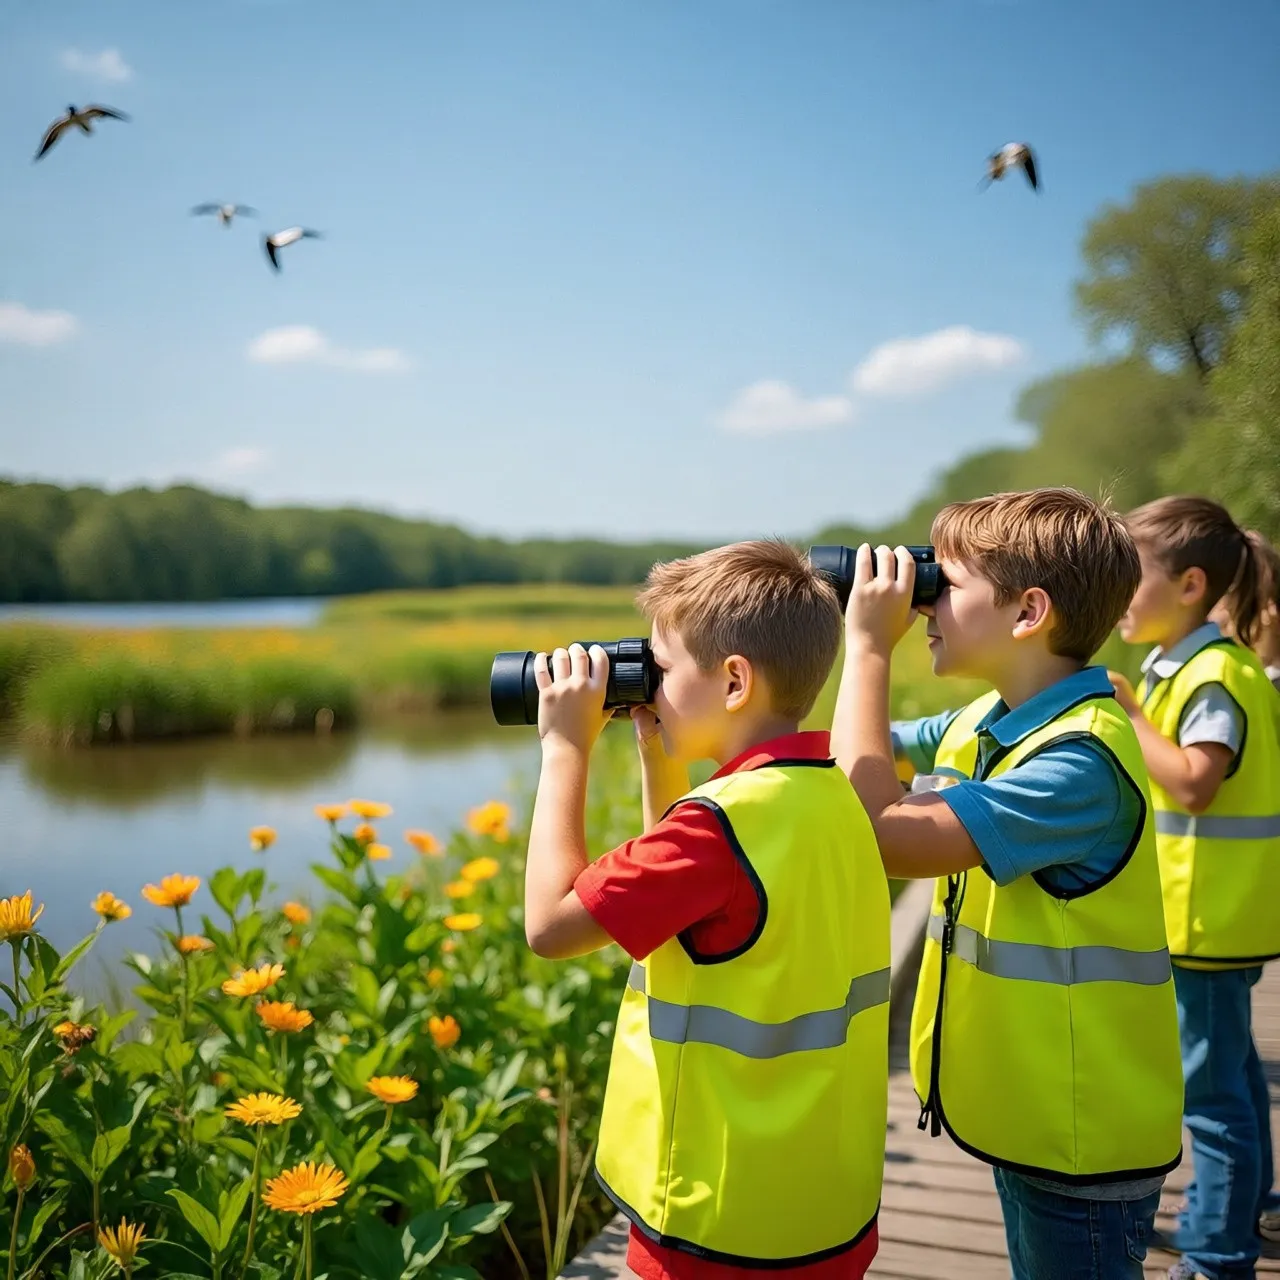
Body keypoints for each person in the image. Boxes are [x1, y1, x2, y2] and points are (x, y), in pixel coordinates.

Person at [830, 487, 1184, 1280]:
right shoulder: (984, 719)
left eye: (941, 586)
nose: (924, 606)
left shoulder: (1077, 765)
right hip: (1028, 1116)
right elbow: (855, 750)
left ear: (1028, 612)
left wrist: (868, 648)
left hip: (1083, 1140)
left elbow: (883, 832)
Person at [521, 539, 891, 1280]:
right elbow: (703, 913)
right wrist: (661, 757)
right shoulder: (830, 796)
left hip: (716, 1224)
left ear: (732, 682)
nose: (648, 684)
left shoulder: (717, 829)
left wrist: (565, 750)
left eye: (659, 668)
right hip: (820, 1207)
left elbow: (550, 926)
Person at [1112, 497, 1280, 1280]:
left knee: (1210, 1102)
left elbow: (1194, 783)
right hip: (1207, 916)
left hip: (1207, 922)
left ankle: (1217, 1256)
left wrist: (1130, 715)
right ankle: (1242, 1216)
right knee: (1235, 1079)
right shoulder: (1185, 663)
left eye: (1131, 576)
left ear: (1189, 586)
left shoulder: (1216, 674)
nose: (1118, 594)